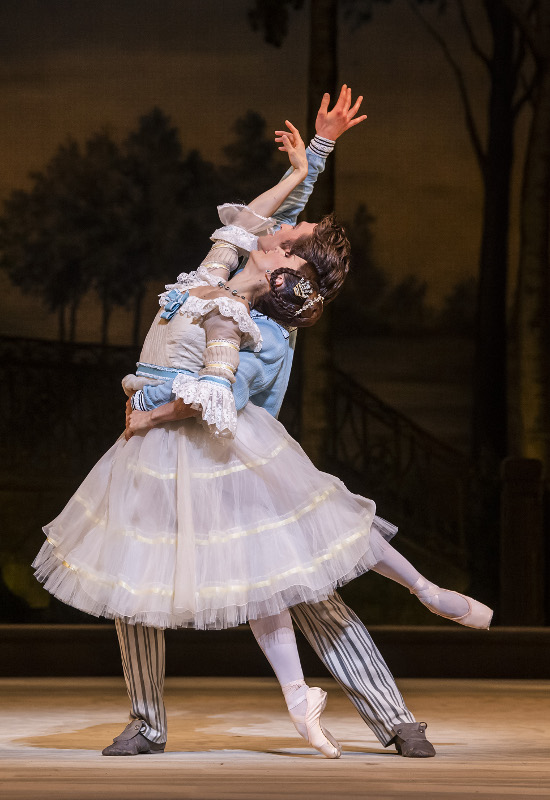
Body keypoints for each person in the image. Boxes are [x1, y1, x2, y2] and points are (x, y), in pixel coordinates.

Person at [34, 92, 491, 761]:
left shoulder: (260, 328)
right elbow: (271, 221)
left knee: (305, 590)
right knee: (132, 577)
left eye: (284, 242)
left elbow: (217, 393)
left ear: (288, 269)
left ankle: (394, 717)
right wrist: (320, 148)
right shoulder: (235, 274)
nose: (272, 230)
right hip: (163, 451)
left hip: (225, 456)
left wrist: (152, 409)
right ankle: (146, 720)